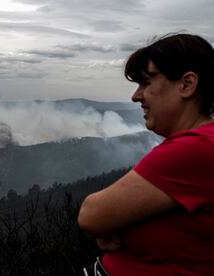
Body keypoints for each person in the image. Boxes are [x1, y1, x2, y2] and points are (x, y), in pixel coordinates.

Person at [78, 33, 214, 275]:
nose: (136, 96)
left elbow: (91, 214)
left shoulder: (195, 148)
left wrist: (112, 224)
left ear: (187, 84)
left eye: (146, 83)